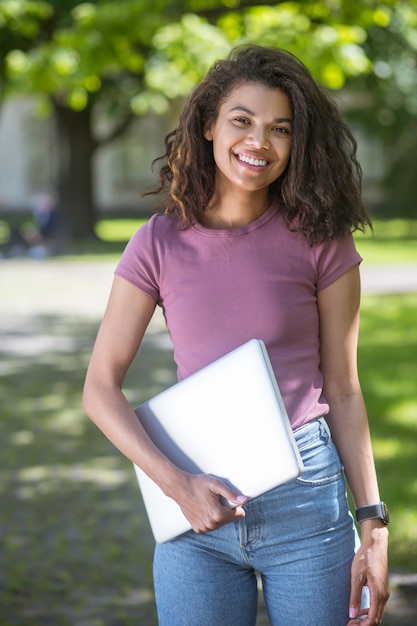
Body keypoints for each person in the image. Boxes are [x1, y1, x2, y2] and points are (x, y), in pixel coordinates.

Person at [83, 45, 389, 626]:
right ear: (208, 125)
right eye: (242, 121)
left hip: (308, 506)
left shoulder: (322, 241)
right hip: (195, 508)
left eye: (280, 129)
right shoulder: (158, 242)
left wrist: (373, 524)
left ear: (298, 144)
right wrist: (177, 486)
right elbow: (99, 387)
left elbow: (344, 390)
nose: (259, 142)